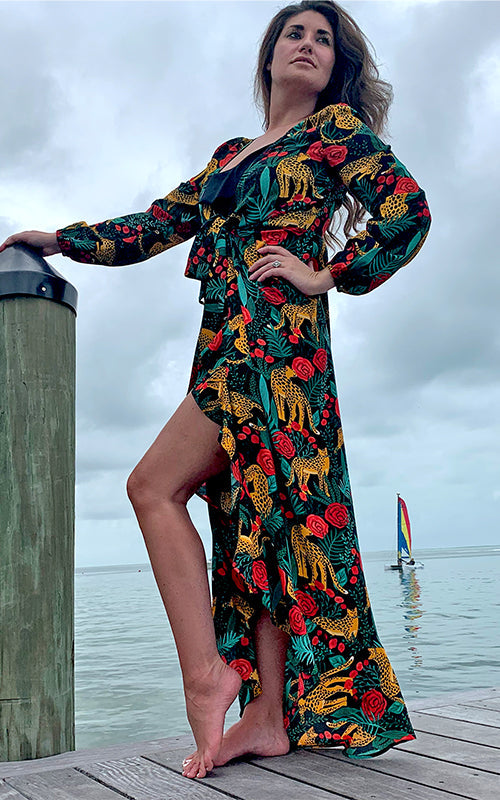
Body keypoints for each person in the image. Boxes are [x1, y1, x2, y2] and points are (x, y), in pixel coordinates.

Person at [0, 0, 431, 781]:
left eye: (324, 39)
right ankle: (266, 718)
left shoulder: (335, 133)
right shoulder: (231, 155)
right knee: (252, 521)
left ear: (336, 67)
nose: (309, 45)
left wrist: (326, 272)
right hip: (223, 350)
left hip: (280, 355)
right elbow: (156, 223)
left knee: (152, 486)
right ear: (269, 55)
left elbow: (408, 212)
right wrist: (60, 239)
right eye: (295, 34)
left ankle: (207, 676)